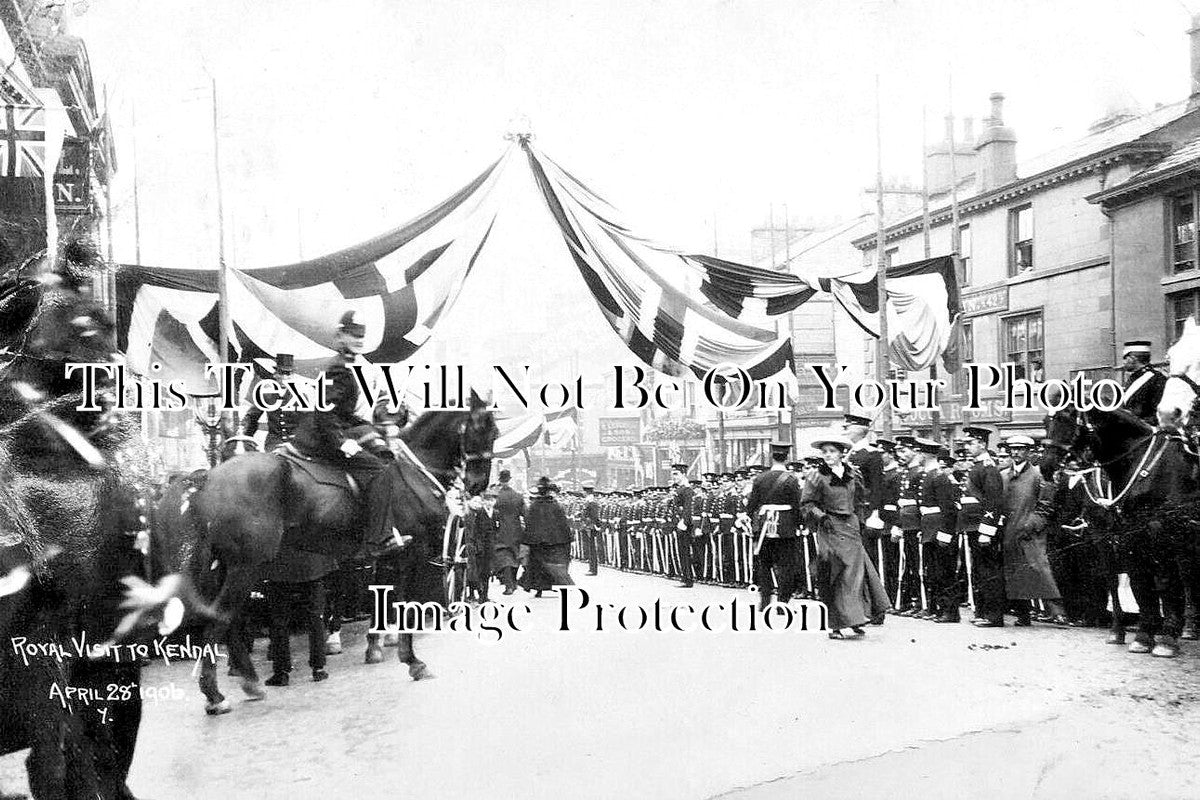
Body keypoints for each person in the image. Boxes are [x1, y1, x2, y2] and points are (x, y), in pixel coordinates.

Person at [800, 433, 891, 639]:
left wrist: (861, 520)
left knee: (857, 574)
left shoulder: (853, 473)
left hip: (851, 528)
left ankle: (857, 618)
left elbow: (860, 498)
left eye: (832, 452)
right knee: (836, 573)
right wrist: (821, 517)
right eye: (824, 452)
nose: (828, 455)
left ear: (842, 453)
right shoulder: (816, 476)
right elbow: (807, 504)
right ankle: (836, 625)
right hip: (830, 527)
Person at [1000, 434, 1068, 626]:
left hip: (1031, 532)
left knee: (1040, 569)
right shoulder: (1003, 475)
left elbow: (1046, 505)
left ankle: (1058, 611)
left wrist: (1031, 524)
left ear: (1028, 452)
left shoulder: (1039, 475)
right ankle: (1023, 614)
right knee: (1015, 572)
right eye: (1012, 449)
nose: (1016, 453)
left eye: (1020, 449)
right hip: (1009, 532)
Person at [264, 542, 338, 686]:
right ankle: (318, 668)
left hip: (281, 564)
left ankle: (281, 672)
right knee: (315, 617)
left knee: (279, 620)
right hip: (311, 564)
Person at [745, 442, 803, 609]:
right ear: (788, 457)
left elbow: (752, 505)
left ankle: (764, 601)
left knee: (765, 565)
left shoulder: (760, 478)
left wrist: (751, 520)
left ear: (772, 456)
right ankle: (782, 603)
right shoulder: (791, 479)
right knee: (786, 566)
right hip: (785, 526)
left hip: (764, 527)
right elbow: (797, 505)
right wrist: (799, 523)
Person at [960, 427, 1007, 627]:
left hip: (982, 527)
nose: (967, 447)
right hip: (972, 525)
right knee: (979, 570)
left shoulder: (989, 468)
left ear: (982, 444)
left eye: (971, 443)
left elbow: (993, 501)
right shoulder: (977, 467)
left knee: (989, 571)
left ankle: (994, 615)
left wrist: (986, 530)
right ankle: (982, 611)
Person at [520, 477, 575, 596]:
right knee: (555, 564)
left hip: (538, 543)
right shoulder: (556, 506)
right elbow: (563, 524)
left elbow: (530, 524)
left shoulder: (534, 506)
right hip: (554, 542)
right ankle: (558, 585)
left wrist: (528, 540)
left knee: (538, 565)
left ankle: (539, 589)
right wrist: (566, 539)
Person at [242, 353, 301, 451]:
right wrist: (247, 440)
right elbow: (251, 418)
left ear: (292, 376)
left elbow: (306, 422)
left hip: (295, 444)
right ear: (275, 374)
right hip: (274, 443)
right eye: (281, 373)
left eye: (288, 374)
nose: (284, 377)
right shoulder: (266, 395)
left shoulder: (300, 397)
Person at [492, 469, 525, 595]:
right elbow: (524, 514)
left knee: (505, 558)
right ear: (510, 479)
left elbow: (493, 515)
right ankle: (514, 582)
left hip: (501, 531)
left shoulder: (497, 497)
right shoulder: (518, 496)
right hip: (516, 531)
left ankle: (509, 585)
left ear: (500, 480)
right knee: (515, 556)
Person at [1120, 340, 1167, 426]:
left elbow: (1158, 412)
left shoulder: (1157, 379)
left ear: (1133, 358)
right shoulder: (1134, 377)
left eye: (1125, 358)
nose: (1123, 362)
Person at [464, 489, 498, 603]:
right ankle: (480, 593)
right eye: (487, 500)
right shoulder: (478, 513)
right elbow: (475, 531)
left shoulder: (495, 513)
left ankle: (485, 595)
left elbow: (497, 529)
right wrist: (478, 545)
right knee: (479, 570)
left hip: (490, 546)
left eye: (492, 500)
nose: (489, 503)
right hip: (480, 546)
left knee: (487, 570)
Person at [667, 464, 697, 588]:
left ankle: (688, 578)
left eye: (676, 474)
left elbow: (688, 508)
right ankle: (684, 576)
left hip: (683, 525)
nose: (674, 477)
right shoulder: (680, 489)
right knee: (681, 551)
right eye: (673, 474)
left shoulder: (687, 489)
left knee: (685, 551)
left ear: (683, 474)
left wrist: (684, 522)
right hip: (678, 523)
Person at [581, 485, 601, 576]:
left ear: (587, 492)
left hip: (591, 527)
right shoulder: (589, 501)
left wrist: (591, 524)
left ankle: (593, 569)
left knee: (592, 548)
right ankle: (591, 568)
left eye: (584, 492)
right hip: (589, 526)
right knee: (591, 548)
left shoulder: (591, 502)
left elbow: (594, 516)